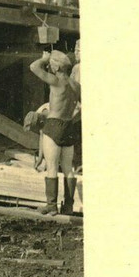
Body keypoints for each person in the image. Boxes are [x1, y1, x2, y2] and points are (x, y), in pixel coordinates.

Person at [29, 50, 81, 214]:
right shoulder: (76, 86)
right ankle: (68, 206)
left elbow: (33, 67)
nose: (50, 67)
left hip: (54, 125)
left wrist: (44, 59)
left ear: (57, 67)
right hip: (69, 126)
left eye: (52, 65)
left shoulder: (56, 81)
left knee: (51, 167)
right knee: (68, 169)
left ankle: (51, 205)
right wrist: (72, 118)